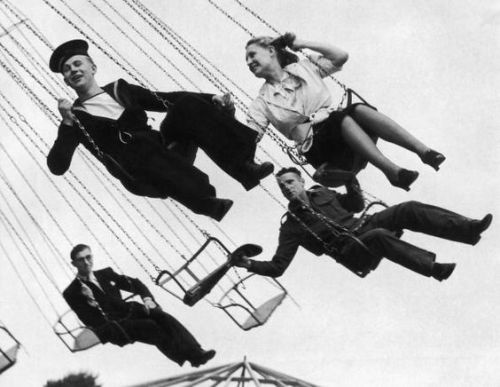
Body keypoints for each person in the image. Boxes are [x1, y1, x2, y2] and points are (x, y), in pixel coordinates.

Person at [47, 39, 274, 221]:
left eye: (78, 64)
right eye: (67, 70)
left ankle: (245, 167)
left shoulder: (120, 89)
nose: (73, 71)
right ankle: (203, 201)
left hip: (168, 151)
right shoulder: (75, 119)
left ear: (92, 67)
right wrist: (67, 123)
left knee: (185, 104)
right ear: (66, 82)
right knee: (140, 146)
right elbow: (57, 166)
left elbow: (165, 100)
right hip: (140, 172)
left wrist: (210, 98)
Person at [245, 33, 446, 191]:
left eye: (252, 54)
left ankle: (424, 152)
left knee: (358, 109)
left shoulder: (303, 68)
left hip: (346, 136)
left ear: (271, 50)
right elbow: (249, 135)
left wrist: (302, 43)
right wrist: (225, 113)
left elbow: (340, 57)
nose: (249, 62)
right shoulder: (261, 103)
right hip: (323, 154)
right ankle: (391, 170)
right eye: (247, 60)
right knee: (339, 117)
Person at [232, 167, 492, 281]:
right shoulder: (291, 225)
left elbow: (355, 206)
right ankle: (434, 268)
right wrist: (249, 264)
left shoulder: (321, 192)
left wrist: (351, 184)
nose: (286, 188)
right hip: (351, 250)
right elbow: (278, 266)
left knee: (407, 208)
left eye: (289, 182)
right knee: (378, 235)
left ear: (300, 181)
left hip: (363, 225)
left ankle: (468, 229)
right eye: (281, 186)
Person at [63, 244, 216, 367]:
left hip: (131, 310)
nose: (86, 262)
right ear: (74, 263)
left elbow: (135, 284)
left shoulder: (105, 274)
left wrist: (147, 299)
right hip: (116, 326)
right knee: (150, 326)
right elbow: (90, 322)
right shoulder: (72, 292)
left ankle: (197, 352)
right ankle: (189, 357)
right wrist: (91, 303)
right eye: (81, 260)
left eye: (88, 257)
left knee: (162, 317)